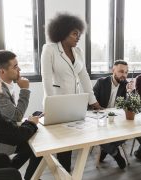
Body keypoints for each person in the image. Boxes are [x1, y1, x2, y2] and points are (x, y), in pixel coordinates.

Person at [41, 13, 100, 172]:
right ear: (62, 32)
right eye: (74, 33)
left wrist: (93, 101)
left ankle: (68, 171)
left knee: (72, 141)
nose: (78, 37)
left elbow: (85, 76)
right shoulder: (49, 49)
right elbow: (46, 80)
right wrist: (50, 105)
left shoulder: (78, 51)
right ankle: (64, 172)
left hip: (75, 104)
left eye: (79, 33)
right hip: (58, 103)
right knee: (62, 143)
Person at [0, 50, 42, 180]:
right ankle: (27, 176)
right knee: (38, 143)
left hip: (9, 133)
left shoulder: (7, 85)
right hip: (1, 143)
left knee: (36, 142)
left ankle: (29, 176)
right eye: (15, 66)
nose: (19, 69)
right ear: (2, 72)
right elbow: (16, 116)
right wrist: (25, 90)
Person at [93, 60, 134, 169]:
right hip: (100, 118)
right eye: (121, 71)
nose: (124, 75)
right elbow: (91, 101)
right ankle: (116, 154)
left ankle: (106, 150)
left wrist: (130, 92)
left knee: (130, 131)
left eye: (126, 72)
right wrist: (99, 110)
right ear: (113, 70)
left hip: (117, 120)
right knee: (98, 135)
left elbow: (130, 106)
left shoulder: (126, 85)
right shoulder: (101, 82)